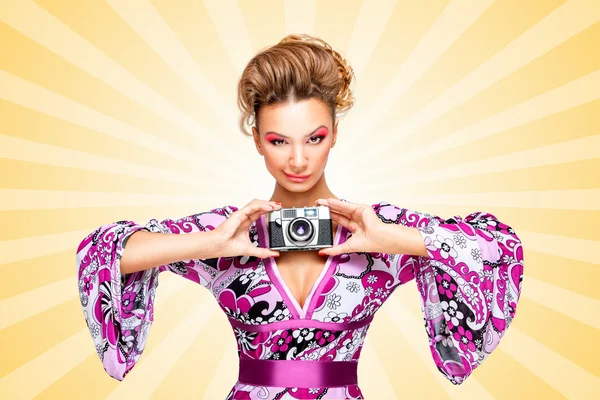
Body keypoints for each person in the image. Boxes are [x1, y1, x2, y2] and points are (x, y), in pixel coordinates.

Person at [75, 34, 524, 399]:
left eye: (314, 138)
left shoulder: (375, 227)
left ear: (334, 135)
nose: (297, 160)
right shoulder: (230, 232)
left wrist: (396, 240)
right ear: (256, 139)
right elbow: (103, 251)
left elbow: (498, 249)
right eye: (278, 141)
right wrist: (208, 245)